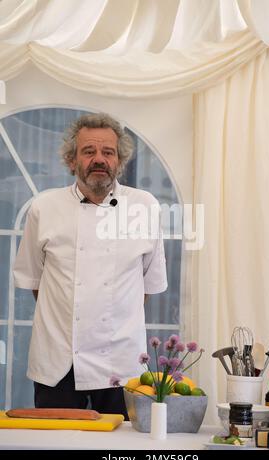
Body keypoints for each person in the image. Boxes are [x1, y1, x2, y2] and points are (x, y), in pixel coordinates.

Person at [13, 113, 168, 418]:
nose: (99, 159)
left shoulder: (145, 206)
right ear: (72, 160)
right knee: (56, 447)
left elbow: (147, 286)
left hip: (121, 364)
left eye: (108, 152)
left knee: (123, 450)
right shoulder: (43, 208)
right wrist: (67, 320)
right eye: (89, 151)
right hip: (57, 363)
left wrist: (112, 320)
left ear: (119, 160)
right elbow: (35, 281)